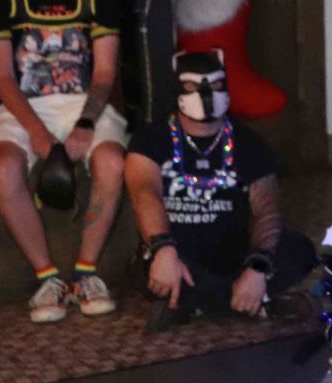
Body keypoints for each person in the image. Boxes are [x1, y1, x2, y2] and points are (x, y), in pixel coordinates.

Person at [0, 0, 129, 323]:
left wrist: (85, 124)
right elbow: (3, 77)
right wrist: (38, 134)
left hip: (84, 101)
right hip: (24, 105)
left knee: (112, 162)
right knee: (3, 168)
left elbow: (105, 73)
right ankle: (47, 278)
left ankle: (85, 274)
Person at [122, 50, 315, 329]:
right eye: (192, 86)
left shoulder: (249, 142)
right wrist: (163, 248)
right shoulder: (150, 140)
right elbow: (144, 193)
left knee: (297, 249)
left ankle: (200, 303)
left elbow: (267, 209)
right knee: (153, 269)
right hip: (179, 253)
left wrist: (258, 266)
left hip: (234, 253)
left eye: (215, 85)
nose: (206, 95)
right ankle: (246, 302)